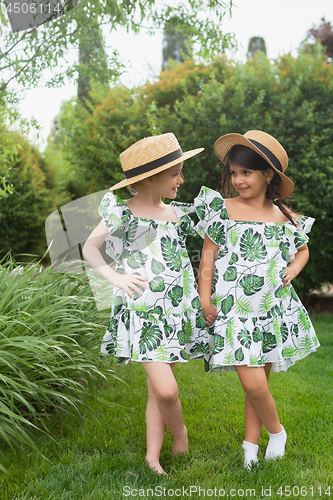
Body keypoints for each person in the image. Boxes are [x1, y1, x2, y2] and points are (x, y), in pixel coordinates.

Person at [83, 133, 209, 474]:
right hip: (141, 313)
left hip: (174, 309)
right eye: (175, 174)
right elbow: (89, 248)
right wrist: (116, 279)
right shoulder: (123, 213)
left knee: (157, 390)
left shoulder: (174, 214)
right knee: (167, 390)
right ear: (150, 178)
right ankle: (179, 433)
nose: (182, 180)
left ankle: (152, 455)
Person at [195, 130, 320, 469]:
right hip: (234, 310)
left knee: (258, 383)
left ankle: (250, 445)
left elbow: (303, 250)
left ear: (268, 174)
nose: (237, 180)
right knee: (251, 380)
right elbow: (208, 258)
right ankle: (277, 431)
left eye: (245, 172)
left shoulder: (282, 216)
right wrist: (205, 299)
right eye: (233, 172)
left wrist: (292, 269)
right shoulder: (222, 210)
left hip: (271, 309)